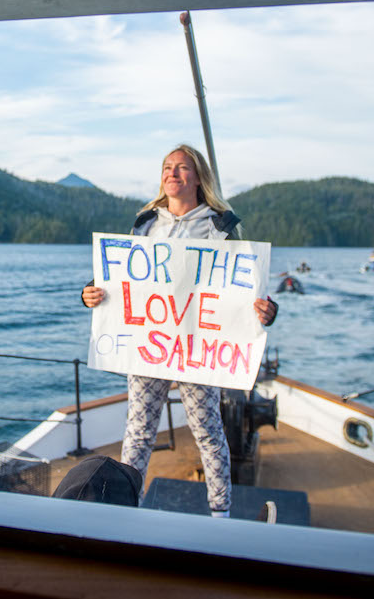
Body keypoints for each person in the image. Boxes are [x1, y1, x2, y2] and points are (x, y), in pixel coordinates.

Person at [81, 144, 277, 517]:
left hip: (197, 348)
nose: (173, 173)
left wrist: (267, 311)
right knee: (138, 432)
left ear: (198, 177)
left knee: (207, 431)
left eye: (182, 168)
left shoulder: (221, 225)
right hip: (150, 344)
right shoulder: (144, 223)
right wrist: (90, 292)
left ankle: (220, 513)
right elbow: (123, 277)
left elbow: (246, 290)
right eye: (167, 167)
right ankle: (129, 510)